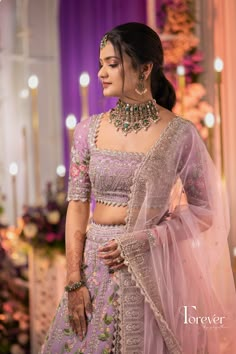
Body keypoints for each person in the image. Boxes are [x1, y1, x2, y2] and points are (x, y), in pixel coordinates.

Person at [40, 22, 236, 354]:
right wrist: (74, 281)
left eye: (112, 64)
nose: (102, 72)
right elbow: (77, 205)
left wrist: (148, 238)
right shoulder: (88, 131)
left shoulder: (179, 135)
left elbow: (206, 211)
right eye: (101, 63)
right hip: (94, 269)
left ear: (144, 69)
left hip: (153, 272)